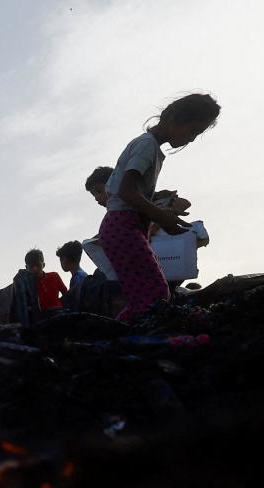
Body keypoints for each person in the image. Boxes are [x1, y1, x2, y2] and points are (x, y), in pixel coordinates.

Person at [99, 93, 221, 322]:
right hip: (122, 227)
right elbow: (126, 191)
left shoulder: (150, 146)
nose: (191, 139)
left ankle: (118, 340)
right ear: (175, 119)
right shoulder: (146, 146)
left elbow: (120, 190)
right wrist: (162, 217)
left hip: (125, 226)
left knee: (146, 297)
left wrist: (158, 201)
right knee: (154, 296)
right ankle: (124, 342)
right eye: (193, 131)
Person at [56, 241, 89, 309]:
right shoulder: (82, 275)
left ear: (64, 259)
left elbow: (78, 304)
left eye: (60, 260)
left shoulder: (78, 277)